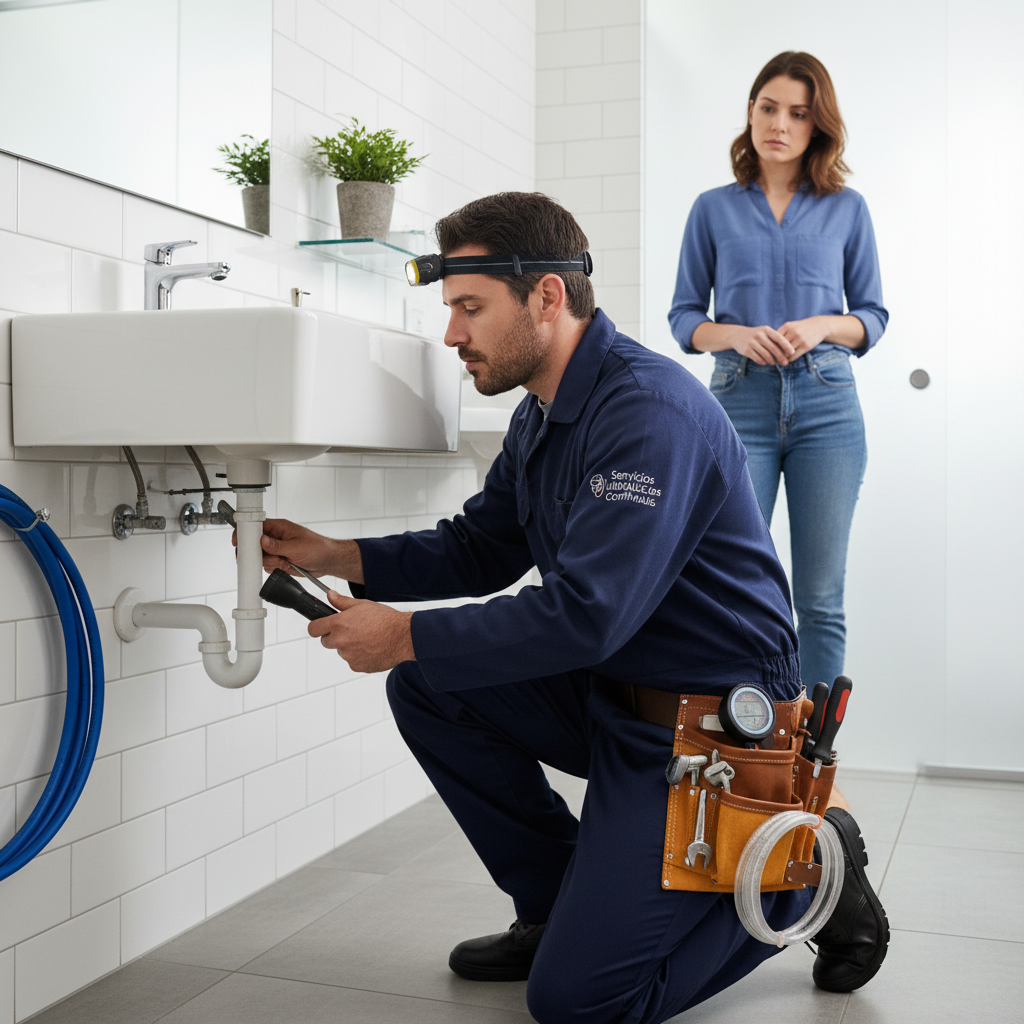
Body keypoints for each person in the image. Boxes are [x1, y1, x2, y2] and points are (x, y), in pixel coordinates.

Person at [256, 192, 887, 1023]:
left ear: (547, 297)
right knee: (431, 685)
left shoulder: (646, 414)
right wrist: (340, 557)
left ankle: (803, 867)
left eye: (470, 309)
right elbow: (480, 545)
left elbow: (587, 615)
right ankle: (557, 908)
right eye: (452, 311)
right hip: (616, 698)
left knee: (582, 1004)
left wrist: (406, 632)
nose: (453, 335)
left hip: (711, 730)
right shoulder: (545, 410)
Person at [669, 51, 888, 694]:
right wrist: (734, 333)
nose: (781, 124)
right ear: (751, 112)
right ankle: (743, 738)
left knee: (820, 596)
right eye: (769, 108)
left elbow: (871, 316)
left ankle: (812, 755)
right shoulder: (712, 209)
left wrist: (823, 324)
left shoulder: (847, 209)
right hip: (739, 402)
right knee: (728, 581)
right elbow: (685, 318)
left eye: (798, 113)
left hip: (827, 404)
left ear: (817, 125)